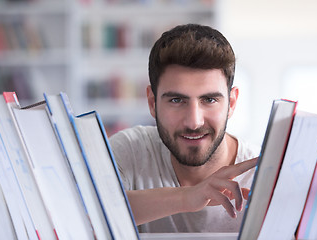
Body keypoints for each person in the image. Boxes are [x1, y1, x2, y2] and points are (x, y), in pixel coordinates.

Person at [109, 23, 260, 233]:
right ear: (152, 103)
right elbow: (82, 213)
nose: (194, 122)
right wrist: (187, 197)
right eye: (177, 100)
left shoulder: (262, 177)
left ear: (231, 103)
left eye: (209, 100)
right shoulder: (131, 150)